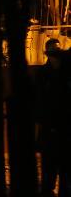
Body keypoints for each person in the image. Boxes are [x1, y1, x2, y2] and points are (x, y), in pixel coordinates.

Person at [35, 38, 70, 196]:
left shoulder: (66, 74)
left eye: (58, 53)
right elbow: (40, 104)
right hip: (49, 130)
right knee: (49, 172)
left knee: (66, 173)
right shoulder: (42, 74)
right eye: (53, 53)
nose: (56, 57)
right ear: (48, 55)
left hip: (65, 131)